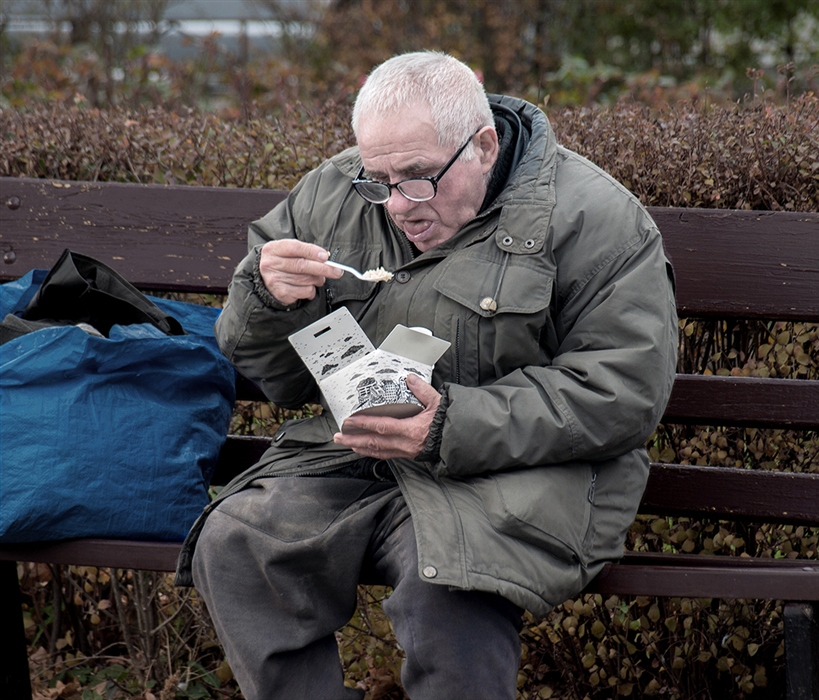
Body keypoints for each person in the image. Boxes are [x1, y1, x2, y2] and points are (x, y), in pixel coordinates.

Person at [175, 50, 678, 700]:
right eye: (377, 180)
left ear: (484, 146)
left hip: (516, 473)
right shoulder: (332, 194)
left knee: (449, 580)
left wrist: (451, 424)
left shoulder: (596, 218)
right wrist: (266, 296)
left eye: (417, 179)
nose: (396, 206)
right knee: (237, 540)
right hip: (355, 461)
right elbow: (280, 380)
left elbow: (622, 392)